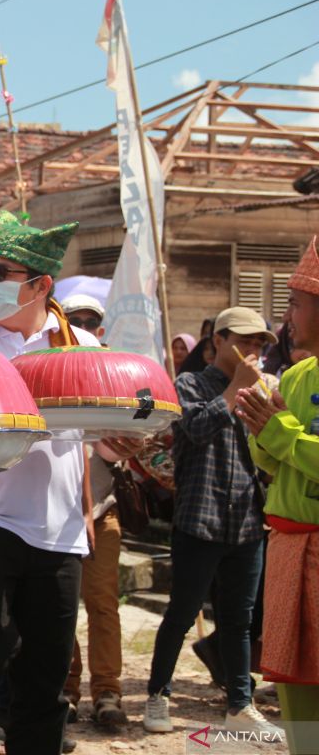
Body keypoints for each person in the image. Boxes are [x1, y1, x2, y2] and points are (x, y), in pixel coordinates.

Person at [0, 213, 103, 755]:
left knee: (46, 670)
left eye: (2, 272)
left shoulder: (81, 347)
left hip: (58, 534)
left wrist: (121, 446)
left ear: (41, 285)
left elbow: (101, 433)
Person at [141, 306, 282, 737]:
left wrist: (274, 412)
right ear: (217, 341)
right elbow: (195, 430)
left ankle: (240, 703)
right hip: (199, 519)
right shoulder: (189, 383)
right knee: (181, 613)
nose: (251, 350)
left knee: (238, 620)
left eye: (258, 344)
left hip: (246, 521)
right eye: (243, 341)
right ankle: (157, 695)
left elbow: (270, 456)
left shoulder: (261, 389)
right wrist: (232, 392)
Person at [236, 235, 319, 754]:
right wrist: (258, 426)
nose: (287, 315)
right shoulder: (301, 372)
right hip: (289, 548)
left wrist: (281, 431)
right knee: (294, 687)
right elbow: (274, 465)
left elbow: (291, 443)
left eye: (296, 302)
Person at [59, 294, 129, 728]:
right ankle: (65, 689)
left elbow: (117, 444)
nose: (83, 326)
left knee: (102, 603)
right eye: (74, 320)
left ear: (100, 331)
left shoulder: (113, 377)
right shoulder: (45, 373)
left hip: (102, 509)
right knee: (61, 605)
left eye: (90, 321)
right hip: (58, 509)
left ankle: (108, 692)